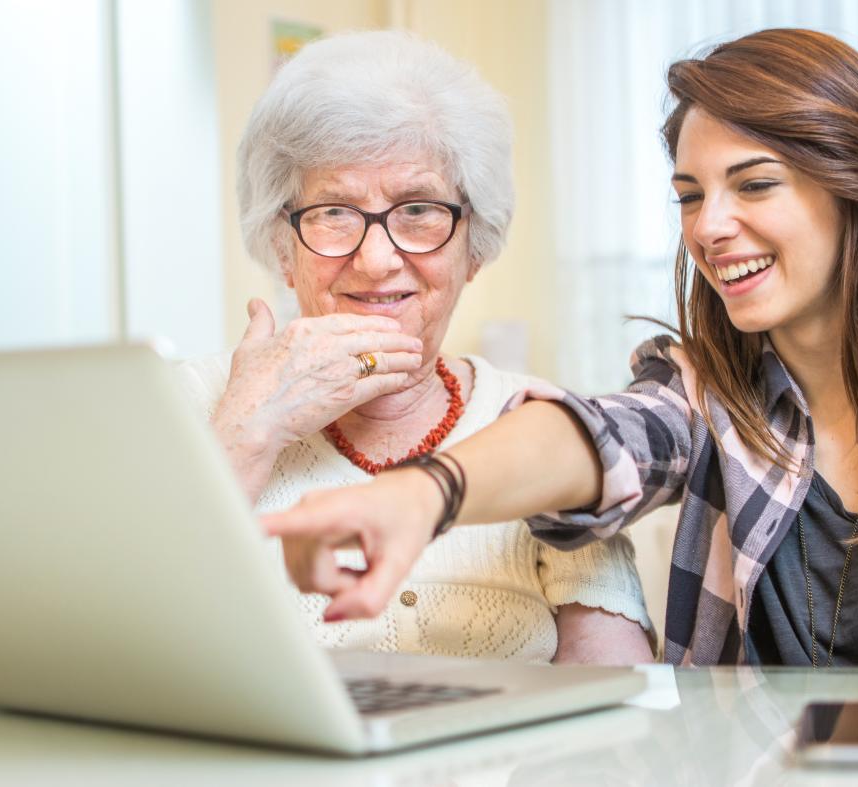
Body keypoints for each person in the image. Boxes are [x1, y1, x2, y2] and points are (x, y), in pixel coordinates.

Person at [262, 28, 858, 668]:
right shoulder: (705, 392)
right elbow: (601, 435)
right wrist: (423, 493)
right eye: (690, 196)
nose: (709, 227)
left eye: (754, 184)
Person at [177, 30, 653, 665]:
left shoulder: (541, 426)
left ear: (472, 249)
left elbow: (616, 701)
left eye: (418, 210)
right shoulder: (191, 404)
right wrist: (249, 432)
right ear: (283, 251)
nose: (376, 261)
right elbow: (110, 638)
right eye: (334, 212)